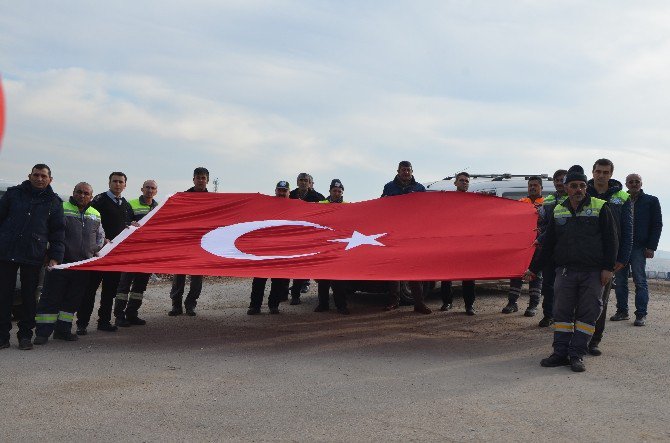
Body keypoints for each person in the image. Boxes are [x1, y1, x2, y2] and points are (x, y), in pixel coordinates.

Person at [526, 165, 618, 373]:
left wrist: (607, 268)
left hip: (593, 272)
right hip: (565, 271)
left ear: (586, 187)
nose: (579, 189)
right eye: (574, 186)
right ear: (566, 188)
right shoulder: (558, 210)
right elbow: (548, 244)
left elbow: (611, 241)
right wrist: (534, 268)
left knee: (587, 315)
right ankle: (560, 353)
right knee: (562, 314)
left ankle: (576, 355)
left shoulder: (601, 207)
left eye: (582, 186)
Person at [0, 164, 65, 350]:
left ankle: (25, 336)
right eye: (36, 175)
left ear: (50, 179)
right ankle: (2, 336)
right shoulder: (13, 194)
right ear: (29, 176)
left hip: (33, 254)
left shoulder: (54, 202)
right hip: (6, 252)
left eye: (43, 176)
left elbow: (58, 232)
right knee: (3, 296)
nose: (39, 178)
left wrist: (55, 257)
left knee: (29, 297)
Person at [34, 182, 104, 344]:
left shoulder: (95, 214)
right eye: (79, 192)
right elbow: (47, 231)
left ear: (91, 196)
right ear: (73, 192)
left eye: (86, 193)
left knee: (72, 299)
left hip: (82, 265)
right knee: (51, 298)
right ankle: (42, 333)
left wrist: (97, 249)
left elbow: (100, 236)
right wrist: (48, 254)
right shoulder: (60, 207)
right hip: (60, 263)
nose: (82, 195)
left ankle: (63, 330)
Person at [77, 172, 134, 334]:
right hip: (97, 254)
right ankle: (82, 323)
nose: (117, 184)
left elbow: (126, 225)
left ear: (125, 185)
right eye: (114, 181)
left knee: (109, 291)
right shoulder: (99, 201)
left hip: (115, 256)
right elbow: (88, 223)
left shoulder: (126, 205)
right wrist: (101, 242)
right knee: (89, 290)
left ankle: (104, 321)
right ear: (109, 183)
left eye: (120, 182)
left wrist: (133, 224)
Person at [586, 158, 633, 356]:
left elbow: (628, 229)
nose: (602, 175)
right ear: (593, 172)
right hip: (584, 254)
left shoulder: (622, 197)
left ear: (611, 174)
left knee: (600, 302)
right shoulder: (582, 192)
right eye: (598, 171)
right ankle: (578, 337)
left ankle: (594, 340)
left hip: (608, 257)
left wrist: (622, 258)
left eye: (606, 172)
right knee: (579, 300)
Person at [610, 174, 662, 326]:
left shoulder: (651, 201)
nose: (634, 184)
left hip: (640, 247)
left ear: (641, 183)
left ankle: (641, 315)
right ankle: (622, 311)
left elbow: (657, 224)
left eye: (636, 181)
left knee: (640, 281)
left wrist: (651, 247)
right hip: (620, 246)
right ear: (626, 184)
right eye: (631, 182)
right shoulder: (619, 199)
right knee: (620, 281)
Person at [381, 161, 431, 314]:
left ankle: (419, 303)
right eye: (403, 170)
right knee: (393, 268)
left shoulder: (420, 188)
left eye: (408, 170)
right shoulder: (389, 187)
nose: (405, 172)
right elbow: (380, 207)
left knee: (414, 268)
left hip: (413, 234)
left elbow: (427, 209)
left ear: (412, 171)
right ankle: (394, 301)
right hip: (394, 233)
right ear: (398, 171)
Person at [113, 180, 158, 327]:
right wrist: (130, 223)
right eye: (147, 187)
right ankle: (119, 316)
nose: (150, 190)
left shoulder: (158, 208)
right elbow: (123, 223)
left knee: (139, 287)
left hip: (147, 254)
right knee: (124, 286)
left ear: (156, 191)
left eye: (152, 188)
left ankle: (132, 314)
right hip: (131, 252)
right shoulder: (130, 204)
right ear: (142, 189)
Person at [247, 181, 291, 315]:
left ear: (289, 192)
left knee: (278, 280)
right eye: (280, 190)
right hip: (264, 249)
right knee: (259, 280)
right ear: (275, 191)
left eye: (284, 191)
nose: (282, 193)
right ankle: (255, 306)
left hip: (282, 250)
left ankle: (274, 305)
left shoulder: (294, 207)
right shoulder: (266, 205)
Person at [169, 167, 209, 316]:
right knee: (179, 274)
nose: (200, 180)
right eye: (198, 178)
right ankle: (176, 305)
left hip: (202, 243)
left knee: (197, 276)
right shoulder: (184, 197)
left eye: (203, 178)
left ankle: (191, 304)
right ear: (193, 179)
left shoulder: (213, 199)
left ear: (207, 180)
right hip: (184, 242)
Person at [502, 176, 544, 317]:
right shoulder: (520, 203)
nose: (532, 187)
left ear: (541, 188)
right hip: (522, 246)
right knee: (516, 274)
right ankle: (512, 303)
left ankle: (533, 305)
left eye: (535, 185)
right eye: (530, 185)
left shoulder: (546, 203)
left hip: (538, 246)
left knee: (535, 275)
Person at [440, 172, 476, 315]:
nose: (464, 182)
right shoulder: (447, 199)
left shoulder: (474, 199)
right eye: (461, 180)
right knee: (446, 275)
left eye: (466, 181)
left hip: (468, 245)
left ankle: (469, 305)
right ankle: (447, 302)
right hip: (450, 243)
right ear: (455, 183)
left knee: (468, 276)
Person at [536, 169, 568, 327]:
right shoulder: (547, 200)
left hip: (568, 249)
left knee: (566, 286)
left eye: (563, 179)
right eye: (557, 180)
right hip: (549, 249)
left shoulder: (576, 199)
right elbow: (541, 222)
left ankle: (562, 316)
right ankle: (548, 315)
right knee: (548, 285)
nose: (560, 182)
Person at [288, 172, 325, 305]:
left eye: (306, 180)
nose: (303, 182)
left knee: (300, 266)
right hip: (291, 235)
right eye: (301, 180)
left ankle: (295, 295)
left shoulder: (318, 197)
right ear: (297, 182)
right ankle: (281, 294)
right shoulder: (290, 196)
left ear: (310, 183)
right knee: (287, 265)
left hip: (309, 237)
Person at [315, 179, 350, 315]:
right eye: (334, 191)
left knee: (338, 279)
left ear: (342, 193)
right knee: (322, 278)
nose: (337, 193)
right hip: (323, 245)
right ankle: (323, 304)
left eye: (339, 191)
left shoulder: (349, 206)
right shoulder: (320, 205)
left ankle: (341, 306)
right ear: (329, 191)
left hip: (339, 246)